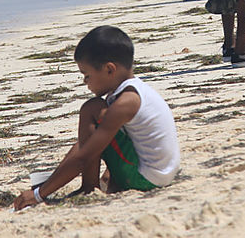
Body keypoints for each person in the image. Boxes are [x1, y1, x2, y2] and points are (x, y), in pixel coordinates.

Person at [13, 26, 180, 209]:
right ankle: (97, 182)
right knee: (97, 121)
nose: (86, 82)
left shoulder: (126, 102)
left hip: (147, 179)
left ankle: (88, 187)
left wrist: (38, 194)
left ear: (109, 69)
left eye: (87, 75)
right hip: (163, 173)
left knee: (91, 109)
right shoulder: (137, 90)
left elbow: (84, 155)